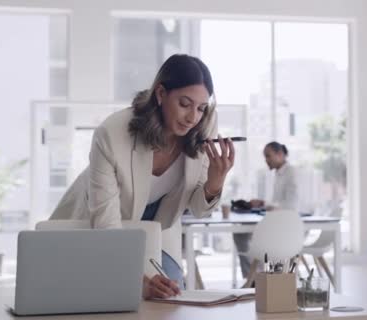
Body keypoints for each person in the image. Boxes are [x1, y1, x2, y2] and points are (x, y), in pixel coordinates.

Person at [50, 54, 236, 299]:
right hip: (98, 220)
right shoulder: (112, 134)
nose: (193, 117)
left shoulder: (203, 126)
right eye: (184, 104)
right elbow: (106, 223)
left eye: (201, 108)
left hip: (157, 225)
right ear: (160, 94)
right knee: (107, 298)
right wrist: (136, 281)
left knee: (169, 295)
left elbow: (200, 209)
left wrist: (216, 179)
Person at [233, 141, 299, 279]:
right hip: (277, 221)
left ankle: (257, 278)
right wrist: (263, 204)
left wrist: (266, 204)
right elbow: (279, 202)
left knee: (244, 237)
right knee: (239, 235)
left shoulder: (292, 173)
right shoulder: (278, 174)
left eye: (268, 156)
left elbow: (291, 204)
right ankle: (253, 278)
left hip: (288, 226)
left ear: (280, 154)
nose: (266, 160)